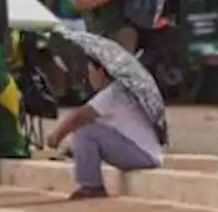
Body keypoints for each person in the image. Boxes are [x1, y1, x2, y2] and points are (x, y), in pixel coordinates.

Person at [44, 32, 166, 200]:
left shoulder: (113, 94)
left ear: (101, 71)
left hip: (142, 155)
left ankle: (91, 186)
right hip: (147, 152)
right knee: (88, 131)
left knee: (84, 130)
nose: (89, 77)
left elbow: (78, 117)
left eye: (90, 71)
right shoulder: (121, 90)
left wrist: (55, 137)